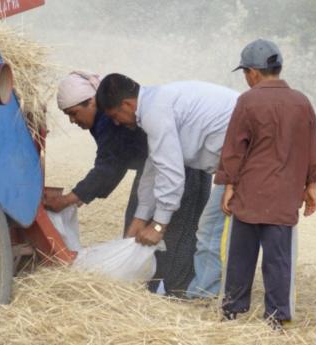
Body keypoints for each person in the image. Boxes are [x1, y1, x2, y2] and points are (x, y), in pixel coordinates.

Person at [44, 71, 212, 296]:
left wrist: (68, 200)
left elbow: (110, 168)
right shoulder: (107, 117)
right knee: (136, 230)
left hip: (183, 171)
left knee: (176, 234)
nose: (73, 121)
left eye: (74, 113)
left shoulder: (107, 120)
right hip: (154, 170)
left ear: (92, 102)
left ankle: (174, 293)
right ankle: (148, 287)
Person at [95, 75, 239, 297]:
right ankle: (209, 291)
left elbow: (172, 172)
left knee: (210, 231)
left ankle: (203, 296)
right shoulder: (155, 102)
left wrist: (159, 225)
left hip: (244, 158)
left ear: (127, 104)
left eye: (115, 116)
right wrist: (140, 219)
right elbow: (154, 167)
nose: (116, 122)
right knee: (213, 229)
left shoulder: (154, 110)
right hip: (233, 161)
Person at [215, 39, 316, 325]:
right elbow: (312, 146)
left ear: (253, 72)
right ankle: (275, 317)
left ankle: (232, 310)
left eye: (245, 73)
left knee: (241, 256)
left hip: (251, 192)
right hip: (285, 196)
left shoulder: (248, 101)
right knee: (278, 260)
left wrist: (228, 186)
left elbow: (234, 149)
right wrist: (311, 186)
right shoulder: (301, 102)